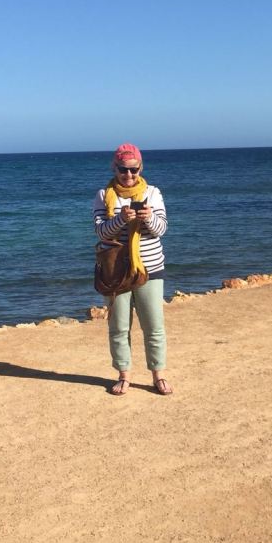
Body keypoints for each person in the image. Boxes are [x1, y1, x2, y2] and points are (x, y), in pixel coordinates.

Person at [92, 143, 172, 396]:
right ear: (114, 167)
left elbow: (161, 230)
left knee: (154, 326)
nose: (128, 175)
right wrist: (120, 220)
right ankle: (124, 375)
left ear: (141, 168)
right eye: (123, 169)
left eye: (133, 169)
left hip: (150, 268)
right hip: (115, 271)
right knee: (118, 327)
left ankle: (158, 375)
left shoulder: (153, 193)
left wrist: (148, 217)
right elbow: (101, 232)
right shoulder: (103, 195)